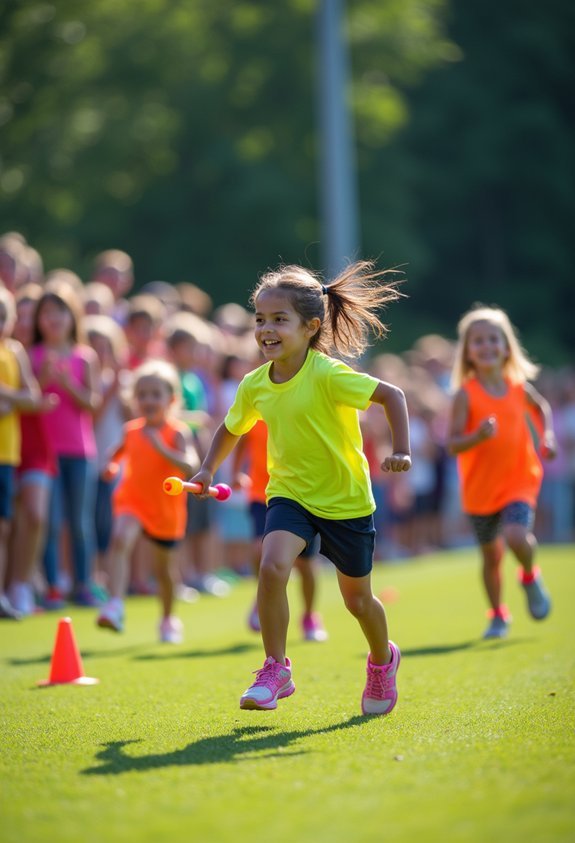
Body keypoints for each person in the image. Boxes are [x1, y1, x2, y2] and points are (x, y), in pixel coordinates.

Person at [191, 260, 411, 715]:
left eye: (278, 320)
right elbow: (231, 428)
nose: (265, 329)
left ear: (311, 327)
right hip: (289, 494)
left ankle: (381, 660)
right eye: (259, 319)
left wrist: (401, 449)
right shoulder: (254, 384)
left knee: (358, 602)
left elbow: (393, 395)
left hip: (346, 501)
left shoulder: (328, 374)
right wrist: (208, 469)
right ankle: (275, 668)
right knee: (271, 567)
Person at [446, 305, 557, 640]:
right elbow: (452, 443)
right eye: (477, 341)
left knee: (515, 536)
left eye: (493, 339)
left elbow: (541, 408)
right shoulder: (466, 394)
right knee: (491, 557)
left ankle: (528, 575)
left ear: (507, 346)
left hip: (520, 479)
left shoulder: (518, 387)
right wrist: (477, 436)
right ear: (467, 352)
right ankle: (497, 614)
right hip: (480, 490)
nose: (487, 346)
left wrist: (546, 435)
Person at [96, 359, 199, 642]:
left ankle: (168, 619)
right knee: (120, 539)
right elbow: (116, 453)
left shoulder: (177, 432)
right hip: (133, 502)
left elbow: (191, 466)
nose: (148, 400)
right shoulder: (131, 430)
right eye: (142, 395)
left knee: (164, 571)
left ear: (171, 399)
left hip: (166, 511)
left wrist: (161, 448)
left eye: (155, 394)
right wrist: (111, 466)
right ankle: (115, 604)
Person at [30, 285, 103, 608]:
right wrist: (44, 379)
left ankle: (83, 583)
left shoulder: (84, 356)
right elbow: (31, 400)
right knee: (49, 520)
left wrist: (66, 384)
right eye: (46, 313)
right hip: (44, 451)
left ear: (72, 317)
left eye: (60, 311)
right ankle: (52, 586)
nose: (53, 319)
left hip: (79, 451)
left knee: (79, 522)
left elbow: (92, 402)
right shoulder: (31, 355)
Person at [233, 419, 328, 641]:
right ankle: (262, 598)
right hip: (261, 494)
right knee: (260, 549)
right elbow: (239, 438)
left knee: (305, 563)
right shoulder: (255, 409)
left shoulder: (300, 405)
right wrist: (237, 471)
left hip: (301, 496)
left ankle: (309, 615)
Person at [0, 287, 42, 618]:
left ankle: (6, 592)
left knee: (5, 526)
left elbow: (32, 397)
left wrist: (7, 396)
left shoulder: (14, 351)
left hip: (7, 452)